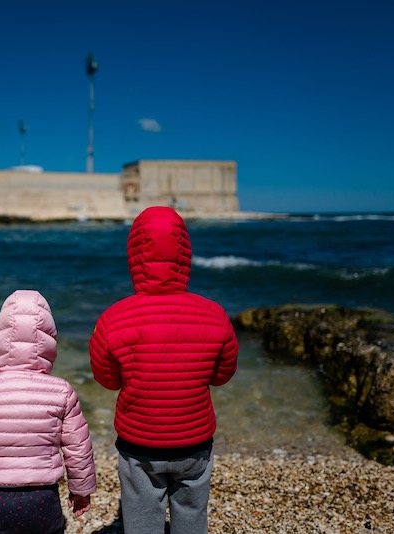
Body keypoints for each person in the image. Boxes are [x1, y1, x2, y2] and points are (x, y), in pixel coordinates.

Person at [89, 206, 239, 534]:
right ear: (185, 255)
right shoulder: (214, 314)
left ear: (134, 256)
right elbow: (223, 374)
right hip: (195, 441)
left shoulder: (114, 318)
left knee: (142, 520)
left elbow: (107, 379)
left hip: (139, 442)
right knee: (192, 512)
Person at [0, 289, 97, 534]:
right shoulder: (61, 390)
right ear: (49, 341)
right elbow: (78, 448)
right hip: (42, 497)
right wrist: (81, 491)